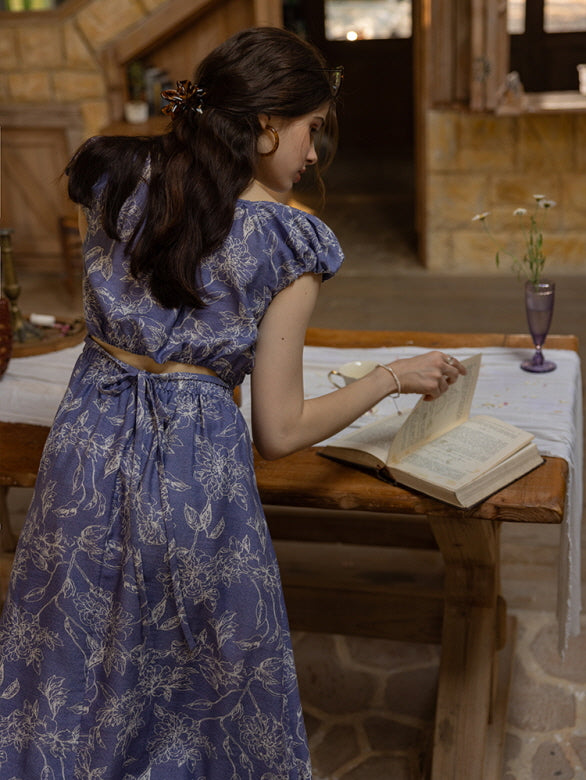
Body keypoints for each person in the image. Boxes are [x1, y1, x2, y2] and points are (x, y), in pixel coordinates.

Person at [0, 26, 465, 779]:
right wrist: (391, 378)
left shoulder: (113, 175)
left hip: (83, 456)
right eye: (312, 129)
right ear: (266, 123)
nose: (313, 154)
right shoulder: (291, 239)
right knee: (207, 692)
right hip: (194, 486)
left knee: (74, 669)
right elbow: (279, 432)